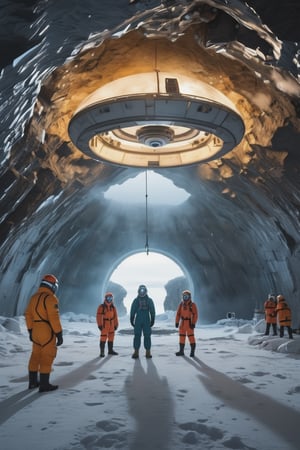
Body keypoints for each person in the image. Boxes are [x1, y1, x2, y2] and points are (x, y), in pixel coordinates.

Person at [24, 274, 63, 393]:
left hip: (35, 330)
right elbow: (54, 318)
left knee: (35, 356)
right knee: (47, 356)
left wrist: (30, 330)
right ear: (52, 286)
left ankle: (32, 382)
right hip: (47, 330)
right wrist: (59, 334)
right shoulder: (51, 298)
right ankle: (44, 385)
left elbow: (28, 315)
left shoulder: (33, 298)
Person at [130, 284, 156, 359]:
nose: (142, 292)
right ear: (138, 291)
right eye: (141, 291)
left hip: (146, 320)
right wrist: (132, 318)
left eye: (143, 290)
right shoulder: (136, 300)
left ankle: (148, 351)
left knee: (147, 335)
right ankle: (136, 351)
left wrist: (153, 318)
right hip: (138, 320)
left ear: (146, 291)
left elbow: (152, 310)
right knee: (137, 335)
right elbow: (133, 310)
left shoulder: (149, 300)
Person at [175, 290, 198, 357]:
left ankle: (192, 352)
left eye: (186, 296)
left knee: (191, 337)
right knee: (181, 337)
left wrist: (193, 323)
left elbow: (195, 314)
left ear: (189, 297)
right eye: (184, 296)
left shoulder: (192, 305)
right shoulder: (181, 304)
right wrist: (177, 322)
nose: (185, 297)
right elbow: (178, 314)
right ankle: (181, 351)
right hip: (182, 323)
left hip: (189, 323)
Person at [96, 292, 119, 357]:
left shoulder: (113, 307)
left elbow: (115, 317)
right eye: (108, 298)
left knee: (111, 337)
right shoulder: (101, 307)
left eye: (111, 298)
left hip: (111, 324)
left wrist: (116, 324)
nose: (109, 299)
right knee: (103, 337)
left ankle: (110, 350)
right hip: (105, 324)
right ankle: (102, 352)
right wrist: (100, 325)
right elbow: (98, 316)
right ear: (105, 298)